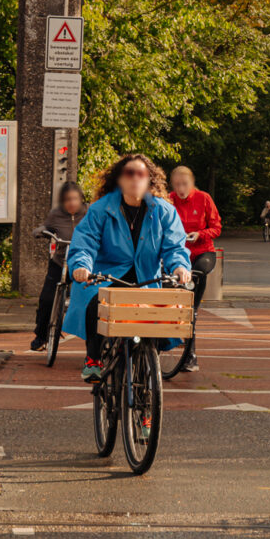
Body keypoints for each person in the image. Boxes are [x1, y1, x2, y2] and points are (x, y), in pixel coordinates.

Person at [65, 152, 191, 382]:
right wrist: (81, 266)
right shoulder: (100, 209)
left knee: (158, 318)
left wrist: (180, 267)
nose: (135, 178)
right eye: (129, 173)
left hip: (146, 280)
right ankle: (93, 359)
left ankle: (146, 389)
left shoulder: (164, 211)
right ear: (119, 179)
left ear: (149, 179)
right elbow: (85, 242)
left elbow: (174, 246)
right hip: (107, 277)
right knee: (97, 301)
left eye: (141, 174)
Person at [168, 166, 222, 373]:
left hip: (201, 253)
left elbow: (216, 227)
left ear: (192, 183)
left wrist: (201, 234)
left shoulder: (204, 198)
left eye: (185, 184)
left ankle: (190, 355)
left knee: (191, 306)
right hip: (176, 256)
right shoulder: (168, 200)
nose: (181, 189)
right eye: (177, 185)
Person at [30, 181, 88, 351]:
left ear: (81, 198)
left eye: (74, 199)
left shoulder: (89, 212)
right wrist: (40, 230)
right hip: (60, 262)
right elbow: (46, 226)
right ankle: (40, 336)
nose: (71, 203)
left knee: (90, 300)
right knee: (47, 298)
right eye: (67, 200)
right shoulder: (56, 214)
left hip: (83, 263)